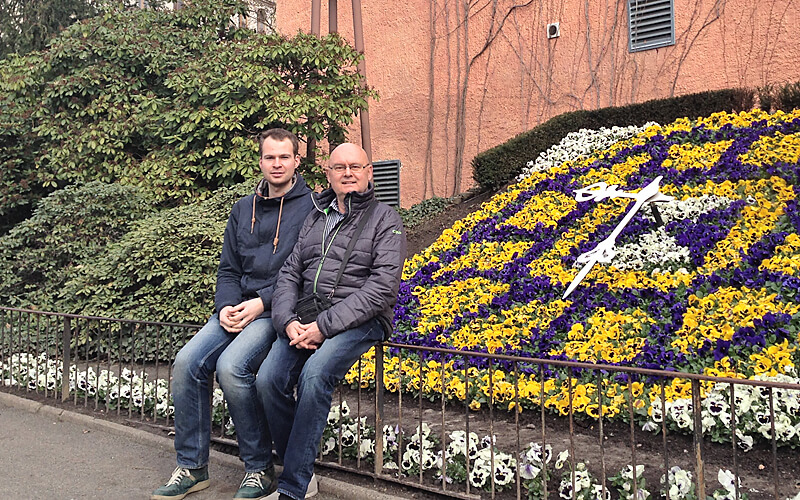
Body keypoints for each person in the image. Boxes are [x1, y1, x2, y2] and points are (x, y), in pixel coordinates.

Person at [152, 129, 314, 500]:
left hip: (274, 309)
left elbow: (307, 273)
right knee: (186, 362)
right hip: (235, 307)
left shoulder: (312, 208)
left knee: (232, 367)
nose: (276, 164)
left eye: (284, 157)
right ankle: (192, 467)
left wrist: (262, 302)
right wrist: (224, 306)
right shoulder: (243, 208)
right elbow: (228, 269)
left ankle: (259, 470)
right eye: (269, 157)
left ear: (296, 162)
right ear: (260, 160)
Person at [256, 143, 406, 500]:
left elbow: (382, 288)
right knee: (267, 379)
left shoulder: (386, 219)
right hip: (306, 318)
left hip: (363, 320)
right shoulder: (316, 217)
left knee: (315, 373)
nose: (348, 173)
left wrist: (324, 327)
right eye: (339, 167)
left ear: (369, 172)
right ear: (328, 174)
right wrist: (287, 322)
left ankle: (292, 488)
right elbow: (290, 273)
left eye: (356, 166)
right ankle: (302, 471)